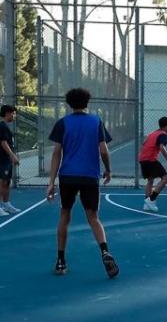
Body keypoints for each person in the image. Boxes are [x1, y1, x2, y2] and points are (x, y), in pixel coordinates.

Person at [45, 87, 118, 279]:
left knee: (65, 215)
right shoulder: (96, 122)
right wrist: (108, 169)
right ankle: (105, 252)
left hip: (68, 176)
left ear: (69, 104)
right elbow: (103, 150)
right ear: (88, 102)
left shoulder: (63, 123)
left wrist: (51, 182)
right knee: (93, 218)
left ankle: (61, 260)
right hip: (89, 176)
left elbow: (56, 153)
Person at [139, 117, 167, 212]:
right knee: (165, 178)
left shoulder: (153, 133)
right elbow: (162, 147)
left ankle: (146, 204)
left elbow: (144, 143)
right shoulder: (163, 134)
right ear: (166, 126)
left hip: (142, 159)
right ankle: (151, 199)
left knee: (150, 180)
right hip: (150, 159)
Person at [0, 104, 21, 217]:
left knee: (7, 182)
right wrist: (12, 155)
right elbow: (3, 143)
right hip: (2, 159)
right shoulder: (2, 127)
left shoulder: (5, 126)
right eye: (13, 113)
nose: (14, 116)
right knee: (1, 181)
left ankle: (6, 204)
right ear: (7, 113)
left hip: (7, 159)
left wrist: (11, 157)